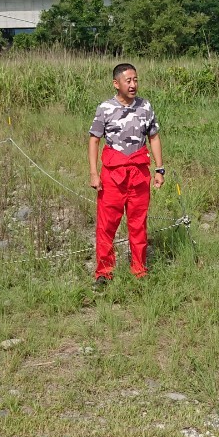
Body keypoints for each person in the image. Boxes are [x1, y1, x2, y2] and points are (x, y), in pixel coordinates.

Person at [88, 63, 164, 284]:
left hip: (139, 174)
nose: (133, 85)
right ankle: (104, 273)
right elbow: (94, 139)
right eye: (128, 81)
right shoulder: (105, 108)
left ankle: (139, 270)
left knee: (138, 224)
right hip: (113, 176)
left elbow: (154, 137)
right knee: (107, 225)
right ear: (116, 83)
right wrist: (94, 173)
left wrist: (159, 169)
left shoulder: (145, 106)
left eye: (136, 80)